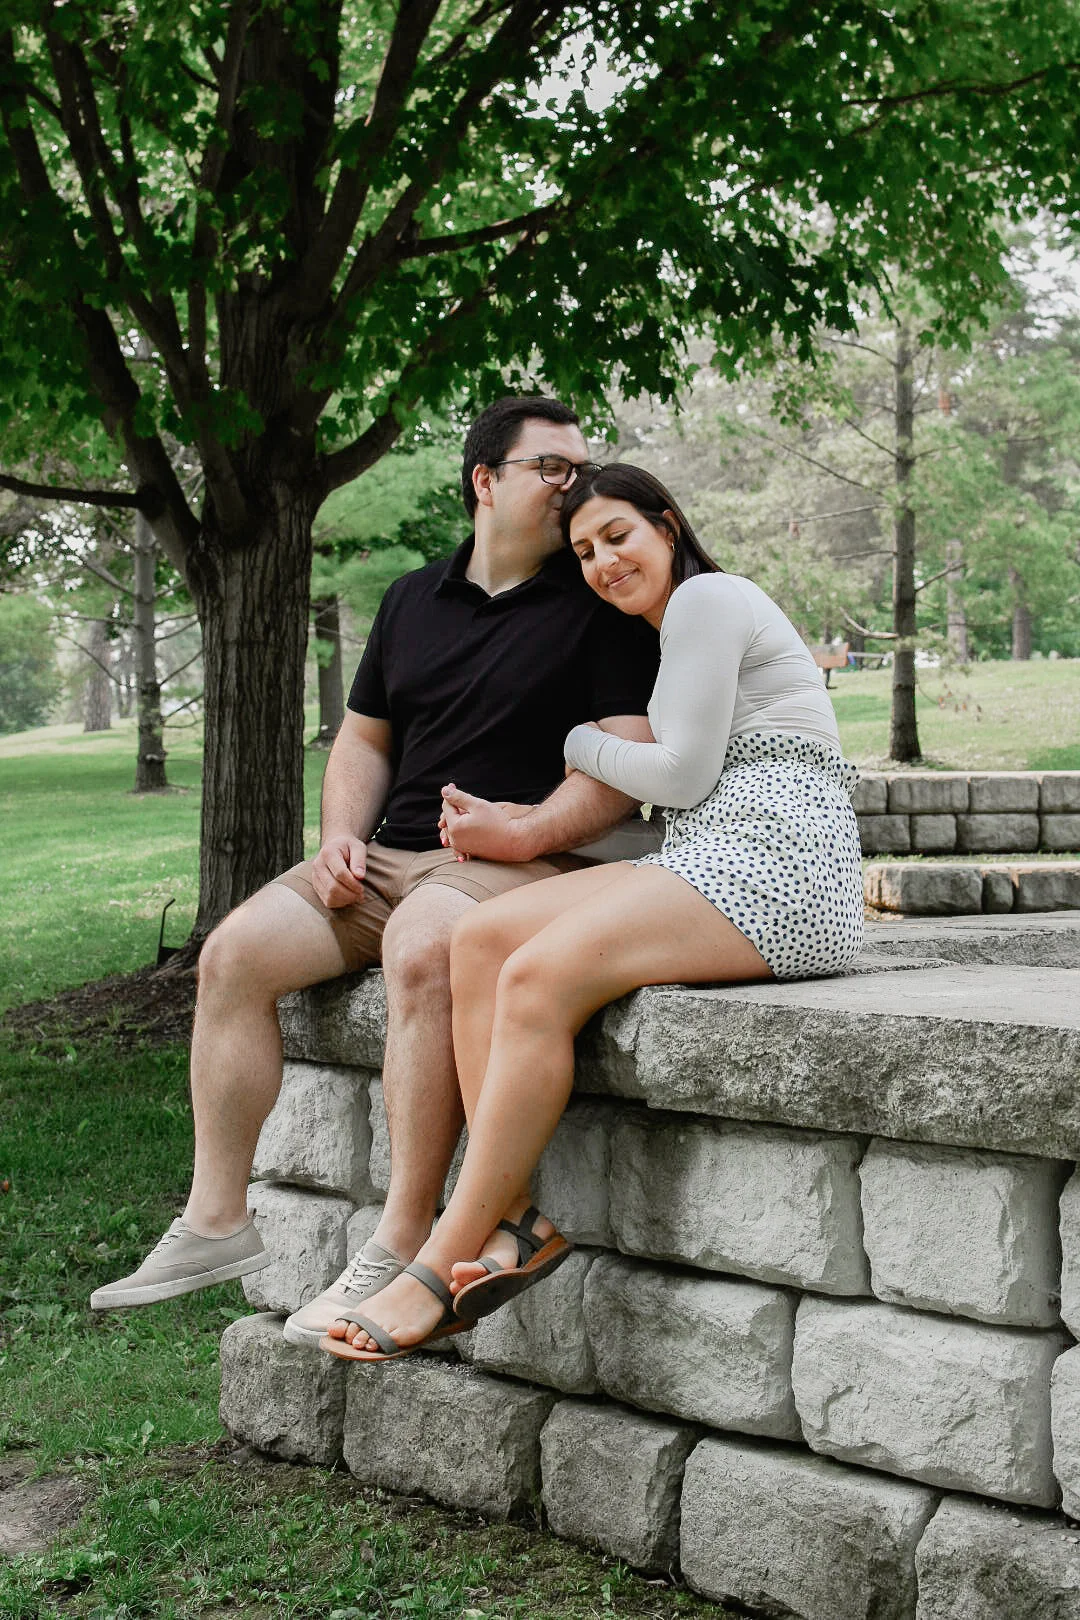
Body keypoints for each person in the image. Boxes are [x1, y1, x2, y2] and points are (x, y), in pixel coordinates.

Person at [90, 402, 660, 1343]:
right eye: (553, 467)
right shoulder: (409, 600)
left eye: (582, 466)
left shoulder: (599, 601)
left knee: (424, 944)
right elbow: (363, 741)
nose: (577, 485)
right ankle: (216, 1220)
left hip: (517, 857)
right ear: (485, 480)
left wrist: (522, 834)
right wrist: (337, 837)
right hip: (388, 855)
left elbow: (623, 765)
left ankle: (401, 1240)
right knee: (232, 953)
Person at [321, 463, 863, 1361]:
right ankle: (514, 1221)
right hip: (713, 852)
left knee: (537, 975)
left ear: (667, 524)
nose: (604, 563)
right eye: (582, 552)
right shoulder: (667, 632)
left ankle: (443, 1255)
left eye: (618, 536)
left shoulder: (708, 599)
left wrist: (575, 739)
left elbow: (681, 774)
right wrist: (520, 826)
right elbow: (680, 797)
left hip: (781, 863)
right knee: (480, 937)